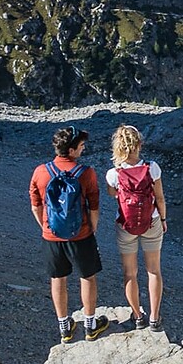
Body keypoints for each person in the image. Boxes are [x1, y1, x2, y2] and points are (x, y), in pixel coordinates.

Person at [30, 126, 110, 344]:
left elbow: (35, 205)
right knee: (88, 277)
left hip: (52, 236)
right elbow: (94, 206)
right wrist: (92, 229)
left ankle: (65, 327)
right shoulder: (86, 173)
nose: (83, 150)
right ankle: (91, 325)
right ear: (72, 149)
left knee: (57, 279)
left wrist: (46, 228)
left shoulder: (40, 171)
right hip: (81, 235)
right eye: (81, 146)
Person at [105, 124, 168, 332]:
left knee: (130, 274)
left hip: (126, 225)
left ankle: (138, 316)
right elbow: (159, 197)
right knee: (154, 270)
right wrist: (164, 219)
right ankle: (155, 319)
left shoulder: (113, 174)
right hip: (152, 221)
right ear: (139, 144)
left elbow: (113, 194)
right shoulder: (152, 168)